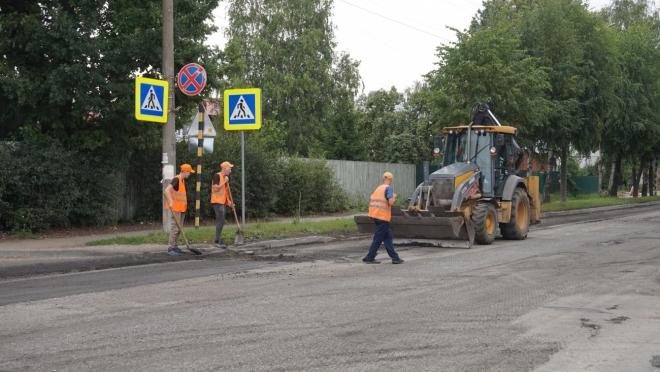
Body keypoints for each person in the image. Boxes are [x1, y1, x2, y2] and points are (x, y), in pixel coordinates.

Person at [363, 172, 404, 264]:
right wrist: (393, 197)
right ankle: (370, 257)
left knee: (388, 238)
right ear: (391, 179)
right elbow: (390, 202)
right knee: (378, 239)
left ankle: (395, 258)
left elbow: (373, 201)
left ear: (383, 179)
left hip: (376, 216)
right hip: (383, 217)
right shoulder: (388, 188)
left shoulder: (378, 188)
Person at [164, 164, 195, 256]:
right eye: (189, 172)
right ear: (185, 171)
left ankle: (175, 246)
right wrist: (170, 202)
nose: (189, 174)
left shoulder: (181, 181)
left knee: (179, 229)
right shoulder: (177, 179)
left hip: (181, 208)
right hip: (176, 208)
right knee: (175, 228)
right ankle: (170, 248)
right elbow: (166, 190)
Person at [211, 161, 235, 248]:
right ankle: (217, 241)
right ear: (224, 169)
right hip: (217, 202)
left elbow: (225, 194)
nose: (230, 171)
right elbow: (215, 187)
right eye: (229, 169)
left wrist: (229, 203)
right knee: (220, 220)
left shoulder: (224, 178)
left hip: (222, 202)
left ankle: (218, 240)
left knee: (221, 220)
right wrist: (224, 182)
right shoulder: (217, 176)